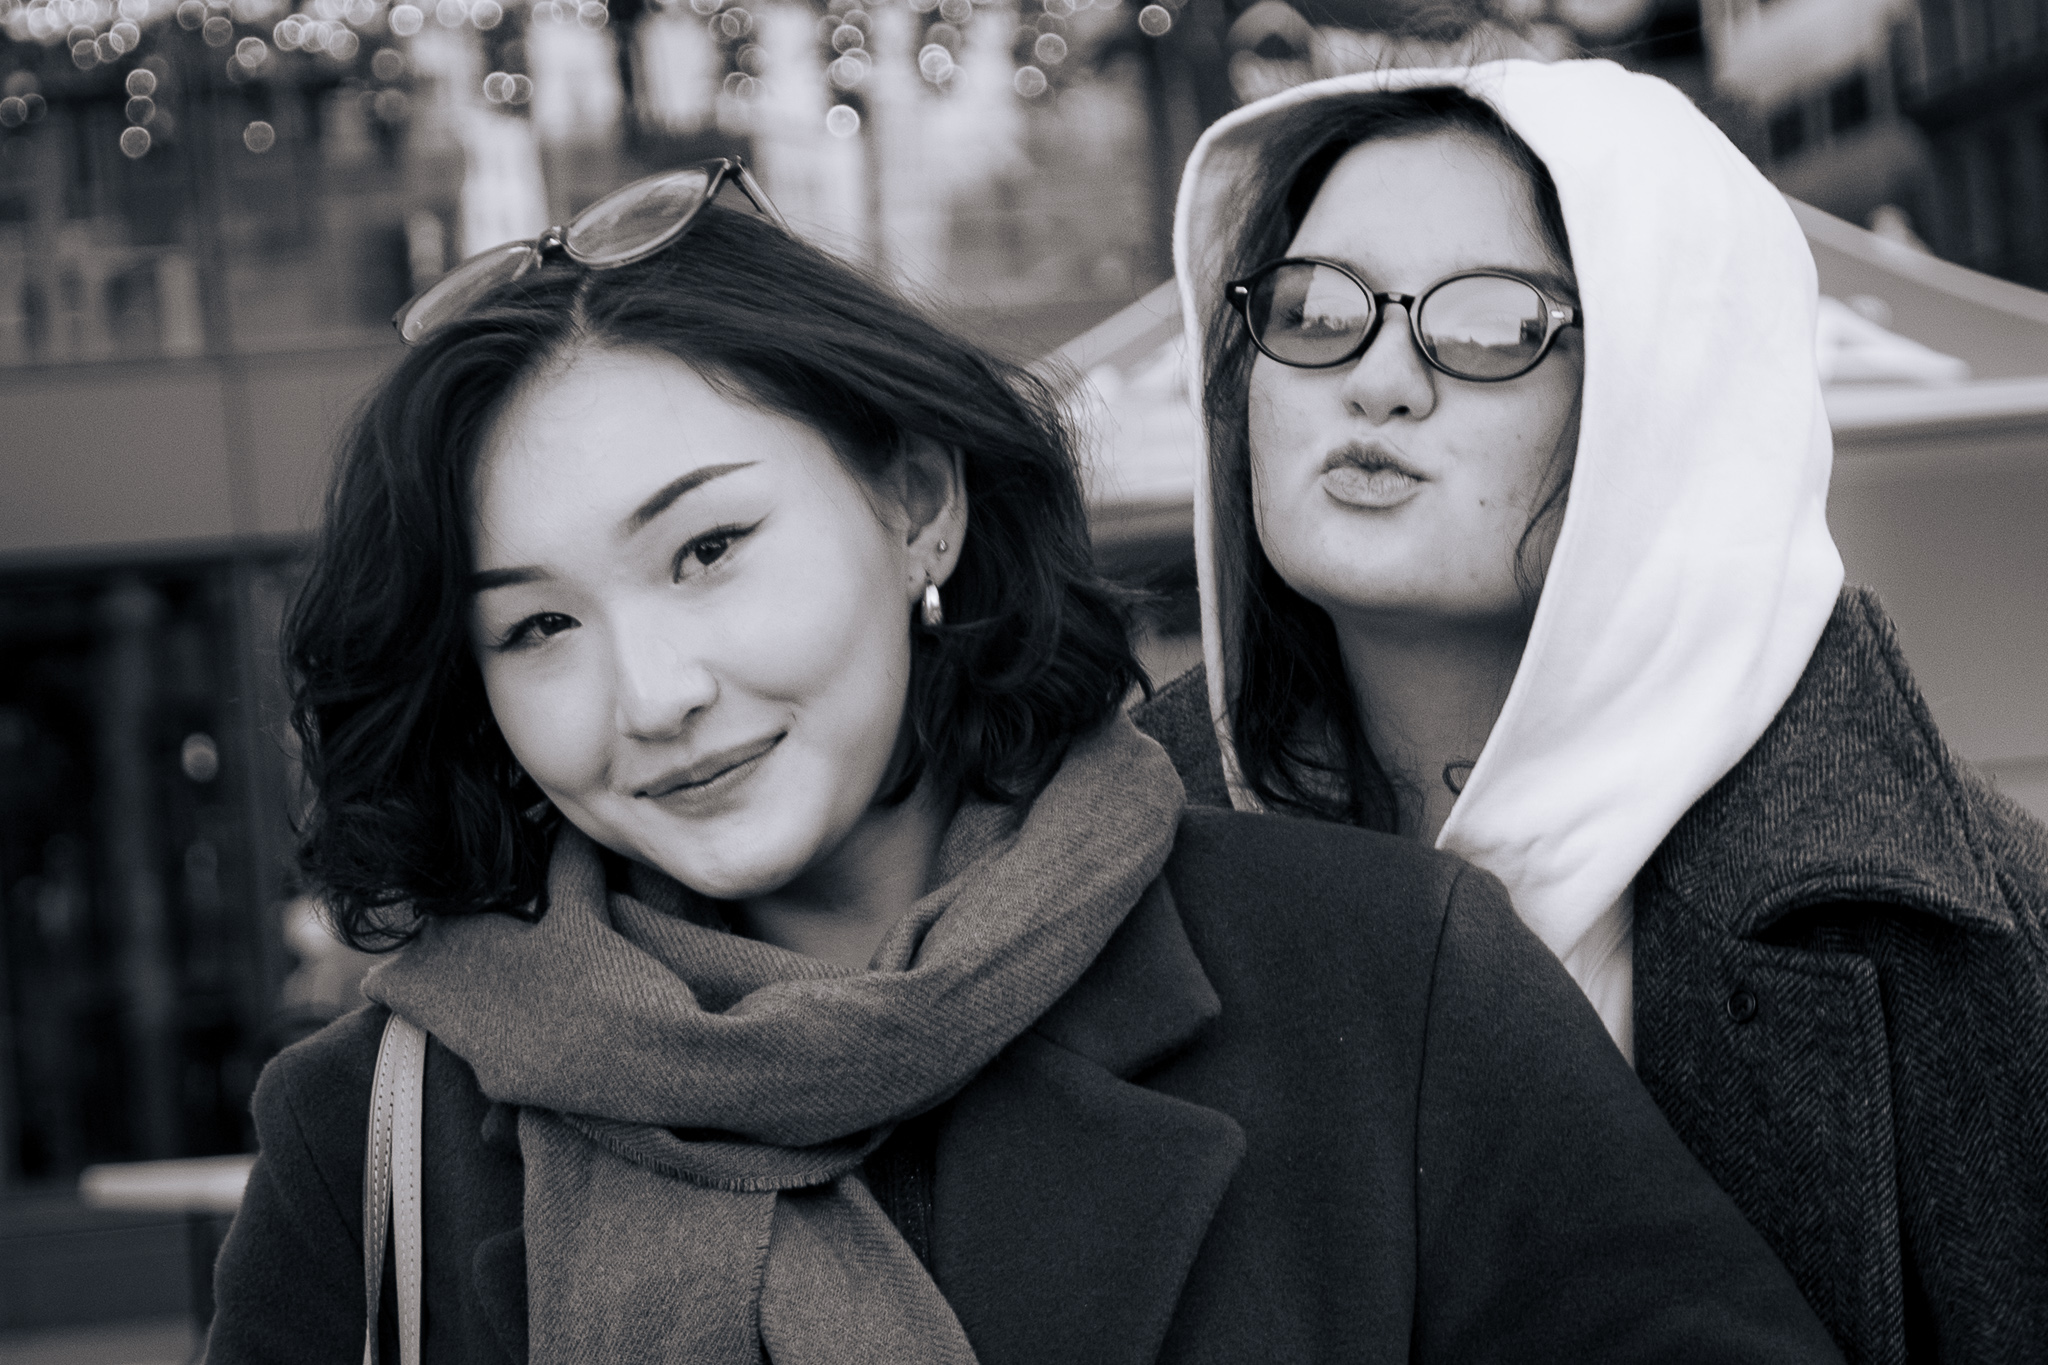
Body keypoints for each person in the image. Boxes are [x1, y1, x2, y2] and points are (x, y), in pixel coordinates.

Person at [204, 162, 1843, 1365]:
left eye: (708, 550)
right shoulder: (374, 1132)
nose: (653, 694)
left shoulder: (1377, 979)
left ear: (918, 505)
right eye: (539, 627)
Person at [1135, 60, 2048, 1364]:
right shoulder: (1099, 864)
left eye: (1492, 326)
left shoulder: (1971, 939)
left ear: (1666, 396)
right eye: (1316, 308)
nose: (1379, 380)